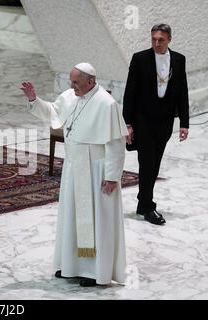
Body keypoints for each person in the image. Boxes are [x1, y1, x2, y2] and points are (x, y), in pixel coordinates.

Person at [20, 63, 128, 287]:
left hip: (96, 169)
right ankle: (71, 266)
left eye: (76, 82)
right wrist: (34, 100)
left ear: (90, 81)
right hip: (73, 166)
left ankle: (93, 272)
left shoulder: (107, 104)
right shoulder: (70, 96)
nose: (71, 86)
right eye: (71, 81)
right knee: (71, 217)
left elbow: (116, 144)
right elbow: (52, 113)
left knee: (97, 220)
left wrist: (111, 177)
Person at [123, 24, 189, 225]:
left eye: (160, 40)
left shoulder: (178, 59)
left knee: (154, 164)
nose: (156, 43)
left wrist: (184, 123)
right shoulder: (140, 58)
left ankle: (142, 203)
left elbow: (182, 92)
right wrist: (127, 123)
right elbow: (130, 92)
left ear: (169, 39)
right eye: (153, 39)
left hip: (165, 121)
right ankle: (148, 207)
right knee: (147, 163)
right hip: (143, 120)